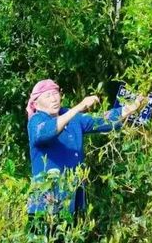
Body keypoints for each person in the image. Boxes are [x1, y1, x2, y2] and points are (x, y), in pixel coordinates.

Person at [26, 79, 144, 238]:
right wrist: (79, 107)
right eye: (47, 96)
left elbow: (102, 120)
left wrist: (132, 107)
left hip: (70, 201)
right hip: (44, 203)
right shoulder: (37, 120)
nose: (54, 99)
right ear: (36, 102)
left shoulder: (73, 119)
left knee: (66, 238)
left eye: (55, 94)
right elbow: (45, 133)